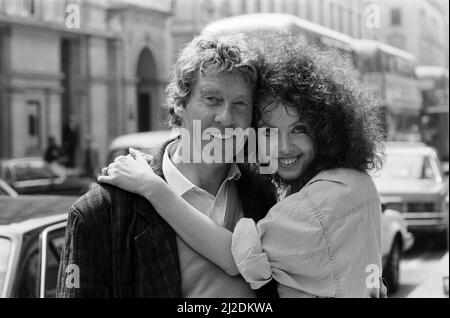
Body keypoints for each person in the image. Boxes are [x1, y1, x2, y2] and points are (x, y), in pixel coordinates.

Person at [98, 34, 386, 297]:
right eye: (270, 131)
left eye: (300, 129)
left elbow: (238, 258)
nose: (283, 148)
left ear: (327, 129)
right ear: (179, 105)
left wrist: (153, 187)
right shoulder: (104, 211)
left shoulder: (329, 192)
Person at [56, 33, 278, 298]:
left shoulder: (266, 197)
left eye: (240, 104)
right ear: (179, 104)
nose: (226, 118)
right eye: (212, 99)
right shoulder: (101, 213)